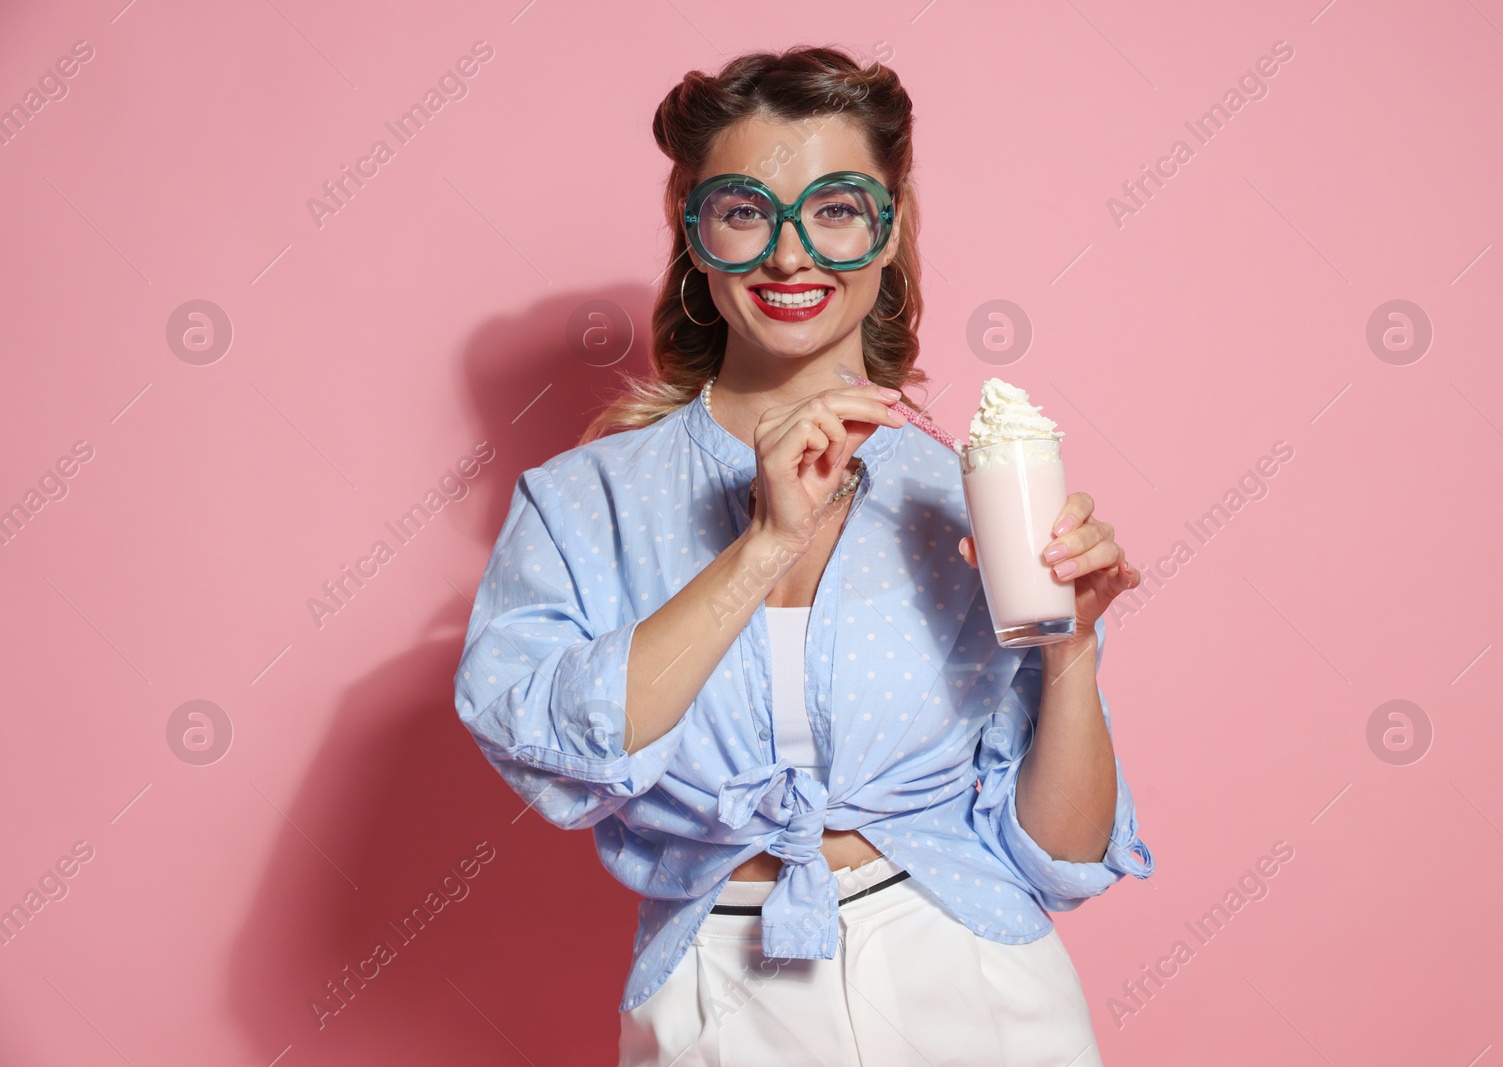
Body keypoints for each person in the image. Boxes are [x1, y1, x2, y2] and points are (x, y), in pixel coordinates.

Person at [453, 45, 1154, 1066]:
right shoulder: (579, 504)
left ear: (888, 229)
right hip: (720, 991)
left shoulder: (963, 498)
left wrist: (1072, 651)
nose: (791, 255)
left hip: (973, 979)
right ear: (694, 232)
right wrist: (764, 541)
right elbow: (554, 756)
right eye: (745, 210)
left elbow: (1059, 856)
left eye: (835, 208)